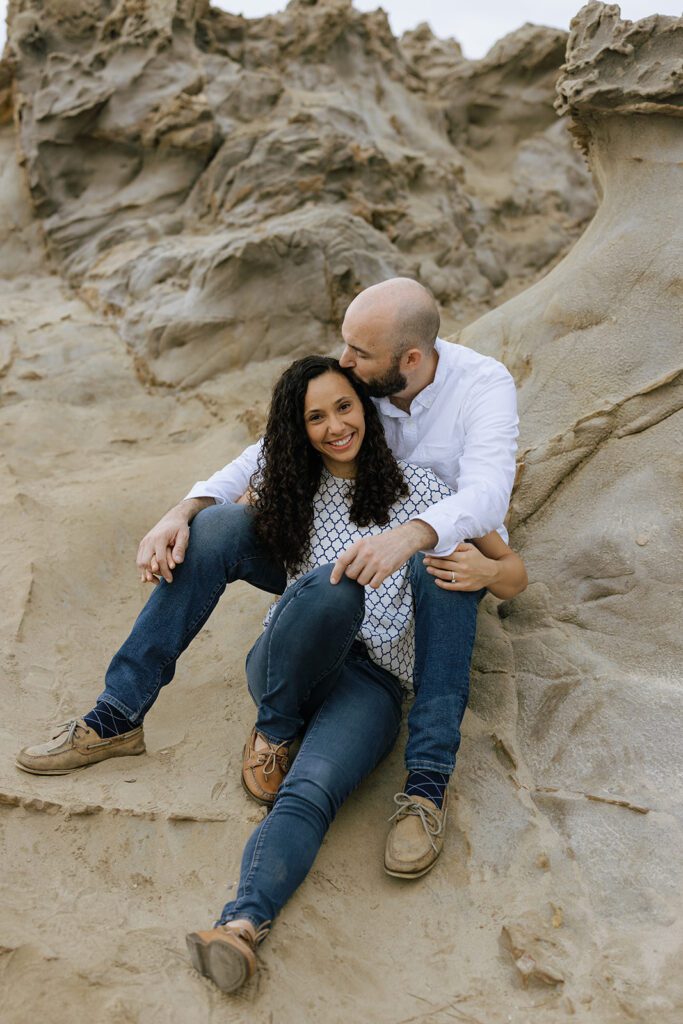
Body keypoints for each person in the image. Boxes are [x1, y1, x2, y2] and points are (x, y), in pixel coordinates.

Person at [17, 276, 519, 880]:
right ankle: (117, 717)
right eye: (346, 346)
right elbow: (268, 449)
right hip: (327, 558)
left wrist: (415, 536)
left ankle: (427, 785)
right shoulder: (356, 384)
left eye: (359, 353)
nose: (345, 362)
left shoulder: (482, 386)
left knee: (443, 561)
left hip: (419, 566)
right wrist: (180, 513)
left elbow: (487, 494)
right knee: (219, 527)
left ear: (407, 361)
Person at [179, 356, 525, 992]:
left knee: (311, 792)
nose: (335, 426)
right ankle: (274, 729)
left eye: (345, 407)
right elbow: (231, 496)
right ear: (299, 430)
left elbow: (514, 572)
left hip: (371, 683)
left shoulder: (430, 494)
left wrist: (487, 574)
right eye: (315, 417)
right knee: (335, 592)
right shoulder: (293, 485)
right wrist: (181, 514)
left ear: (368, 410)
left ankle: (240, 928)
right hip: (293, 661)